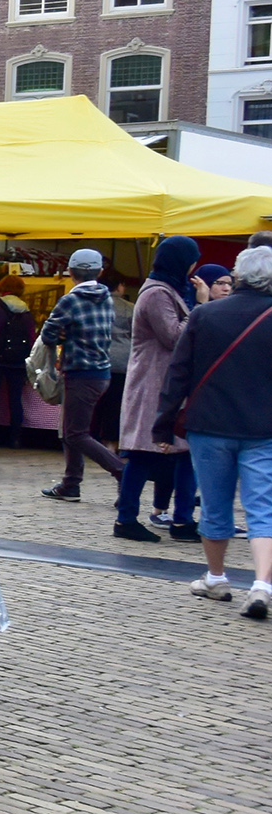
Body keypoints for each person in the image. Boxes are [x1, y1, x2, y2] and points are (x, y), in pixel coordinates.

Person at [157, 246, 272, 617]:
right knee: (263, 507)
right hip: (264, 428)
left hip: (210, 424)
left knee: (214, 502)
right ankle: (261, 584)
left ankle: (217, 577)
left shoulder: (205, 314)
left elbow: (178, 373)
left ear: (238, 276)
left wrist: (163, 423)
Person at [115, 237, 200, 544]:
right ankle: (126, 519)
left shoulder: (170, 290)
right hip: (152, 383)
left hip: (170, 383)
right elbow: (174, 336)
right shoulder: (156, 293)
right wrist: (201, 308)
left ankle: (182, 519)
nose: (194, 267)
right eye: (192, 260)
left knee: (184, 451)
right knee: (143, 452)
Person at [38, 248, 123, 502]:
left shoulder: (70, 301)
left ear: (70, 272)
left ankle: (121, 471)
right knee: (71, 427)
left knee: (76, 433)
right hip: (102, 372)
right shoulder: (106, 297)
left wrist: (64, 334)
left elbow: (48, 335)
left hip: (80, 372)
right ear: (100, 271)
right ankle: (71, 483)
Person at [0, 275, 36, 447]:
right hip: (18, 361)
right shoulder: (26, 310)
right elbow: (32, 338)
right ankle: (15, 438)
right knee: (16, 400)